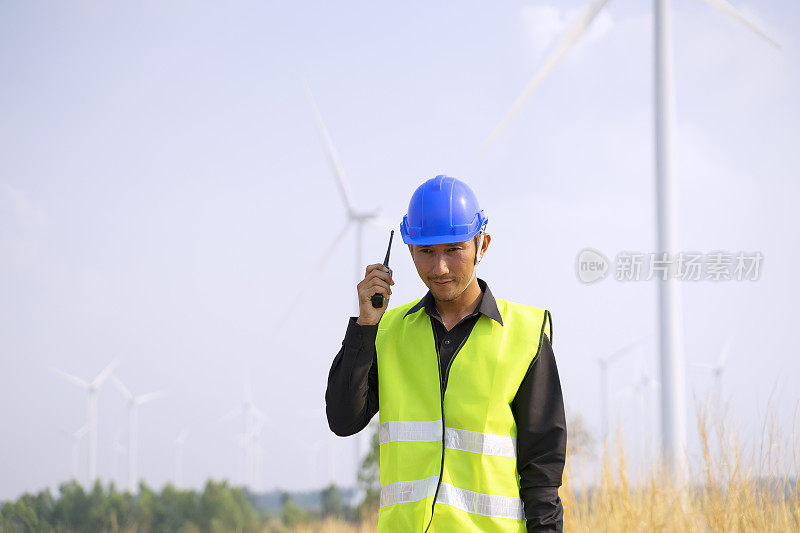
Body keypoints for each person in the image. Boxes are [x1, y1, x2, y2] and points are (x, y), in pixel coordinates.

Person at [326, 174, 566, 532]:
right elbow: (343, 420)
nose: (439, 268)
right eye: (426, 252)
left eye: (453, 250)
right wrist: (364, 326)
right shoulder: (385, 333)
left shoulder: (525, 335)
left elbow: (542, 471)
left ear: (481, 245)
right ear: (408, 251)